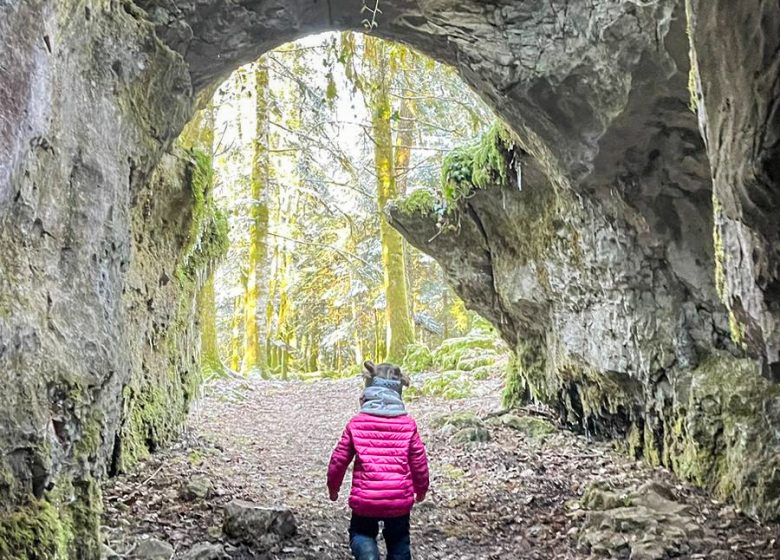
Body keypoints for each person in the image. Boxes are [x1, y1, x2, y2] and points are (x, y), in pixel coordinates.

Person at [327, 361, 429, 560]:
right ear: (398, 393)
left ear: (368, 390)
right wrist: (421, 489)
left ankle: (368, 556)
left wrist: (333, 487)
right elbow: (419, 462)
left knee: (362, 534)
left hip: (365, 499)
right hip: (399, 498)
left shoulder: (357, 423)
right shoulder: (407, 425)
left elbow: (339, 459)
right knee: (399, 542)